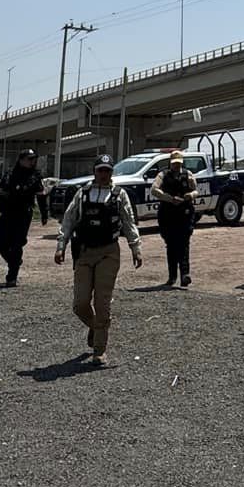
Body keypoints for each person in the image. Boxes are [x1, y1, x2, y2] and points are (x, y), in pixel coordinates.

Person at [53, 157, 143, 364]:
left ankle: (99, 349)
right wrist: (61, 246)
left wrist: (135, 249)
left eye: (108, 171)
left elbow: (129, 222)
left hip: (108, 253)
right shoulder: (82, 194)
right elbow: (68, 220)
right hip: (84, 253)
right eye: (101, 170)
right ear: (95, 171)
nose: (104, 174)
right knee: (80, 303)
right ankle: (95, 327)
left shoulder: (120, 195)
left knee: (102, 303)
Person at [0, 148, 48, 286]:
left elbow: (41, 196)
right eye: (29, 159)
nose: (32, 162)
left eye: (34, 159)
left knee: (16, 244)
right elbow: (0, 190)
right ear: (21, 160)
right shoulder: (10, 173)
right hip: (8, 213)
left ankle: (12, 276)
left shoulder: (35, 176)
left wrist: (45, 214)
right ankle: (14, 261)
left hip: (23, 214)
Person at [150, 150, 198, 289]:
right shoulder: (163, 175)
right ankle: (172, 276)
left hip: (184, 213)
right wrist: (170, 198)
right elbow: (154, 190)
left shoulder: (188, 175)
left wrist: (190, 196)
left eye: (179, 164)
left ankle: (185, 275)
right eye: (174, 164)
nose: (176, 166)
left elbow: (196, 190)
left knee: (184, 244)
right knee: (171, 245)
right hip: (168, 214)